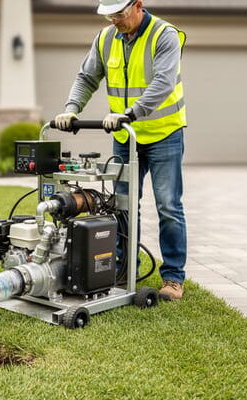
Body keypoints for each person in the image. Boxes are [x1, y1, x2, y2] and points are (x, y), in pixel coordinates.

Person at [54, 0, 188, 300]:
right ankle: (123, 270)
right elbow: (87, 77)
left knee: (168, 206)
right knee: (123, 205)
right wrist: (72, 109)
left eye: (119, 14)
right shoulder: (105, 38)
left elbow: (164, 82)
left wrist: (130, 113)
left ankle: (173, 278)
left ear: (137, 5)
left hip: (164, 133)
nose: (114, 20)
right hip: (126, 137)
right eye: (108, 15)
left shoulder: (164, 35)